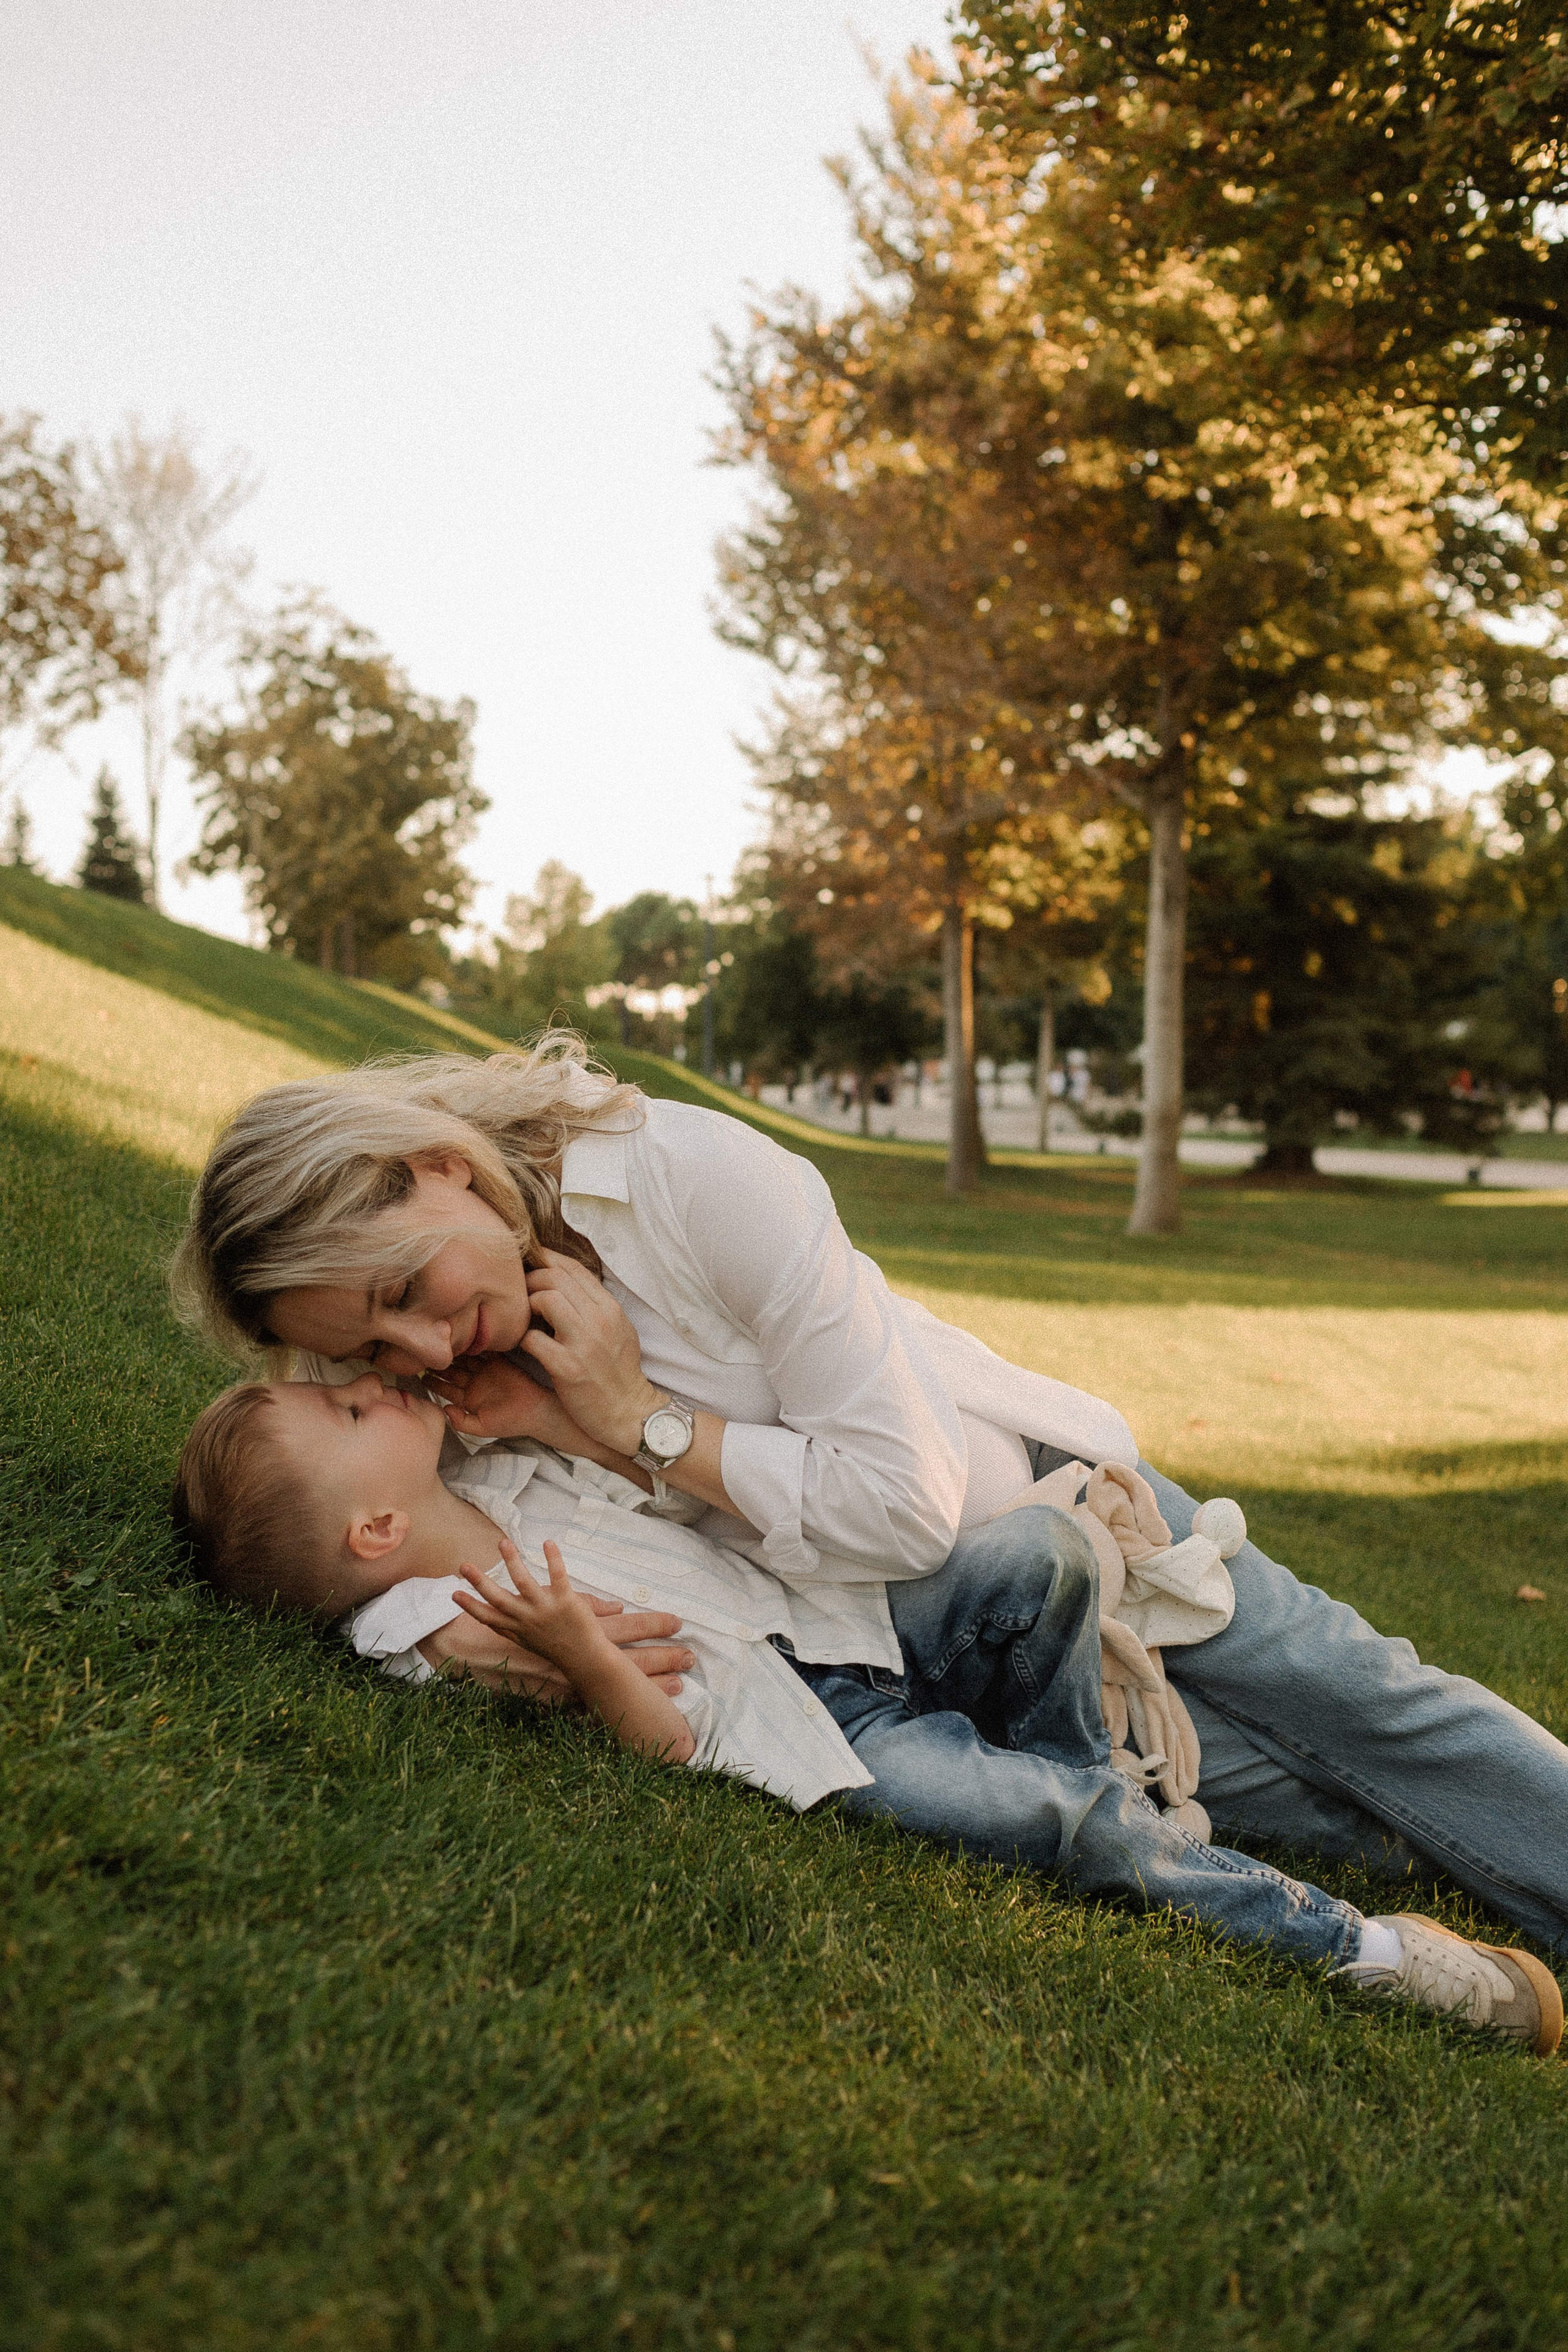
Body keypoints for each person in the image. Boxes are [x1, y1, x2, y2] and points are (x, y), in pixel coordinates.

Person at [170, 1034, 1568, 1978]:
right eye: (364, 1353)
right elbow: (354, 1529)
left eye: (405, 1298)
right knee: (1345, 1821)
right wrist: (441, 1637)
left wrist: (636, 1420)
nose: (416, 1355)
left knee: (1382, 1709)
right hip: (937, 1654)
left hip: (1059, 1534)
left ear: (442, 1170)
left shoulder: (687, 1179)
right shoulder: (430, 1383)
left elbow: (907, 1510)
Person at [172, 1368, 1563, 2054]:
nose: (373, 1382)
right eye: (348, 1403)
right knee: (1046, 1817)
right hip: (816, 1734)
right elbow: (658, 1742)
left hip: (846, 1627)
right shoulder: (419, 1622)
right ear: (367, 1532)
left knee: (1043, 1555)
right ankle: (1361, 1946)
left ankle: (1119, 1787)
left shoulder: (496, 1480)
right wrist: (580, 1660)